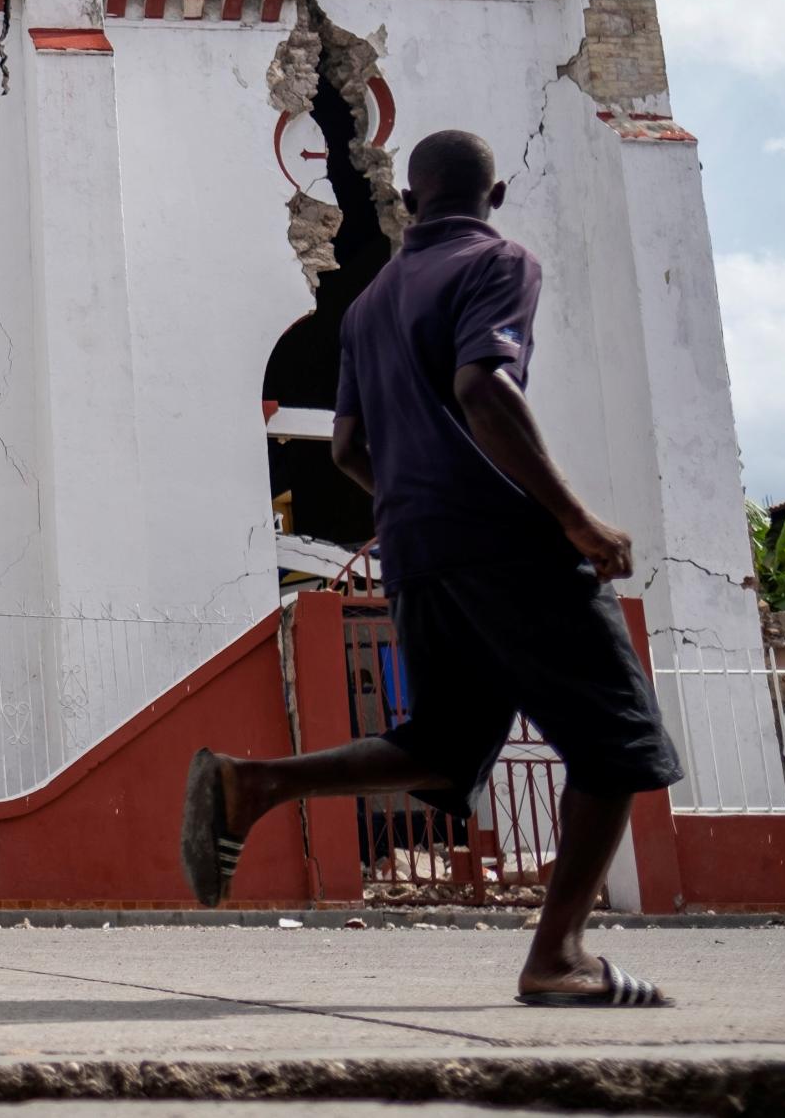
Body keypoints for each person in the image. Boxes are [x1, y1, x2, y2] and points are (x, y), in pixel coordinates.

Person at [179, 129, 682, 1006]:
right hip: (505, 543)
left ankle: (252, 780)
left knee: (440, 750)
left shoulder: (369, 304)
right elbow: (484, 387)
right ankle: (557, 955)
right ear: (493, 195)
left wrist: (418, 499)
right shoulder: (500, 260)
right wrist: (577, 520)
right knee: (618, 747)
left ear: (409, 202)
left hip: (417, 552)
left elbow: (345, 448)